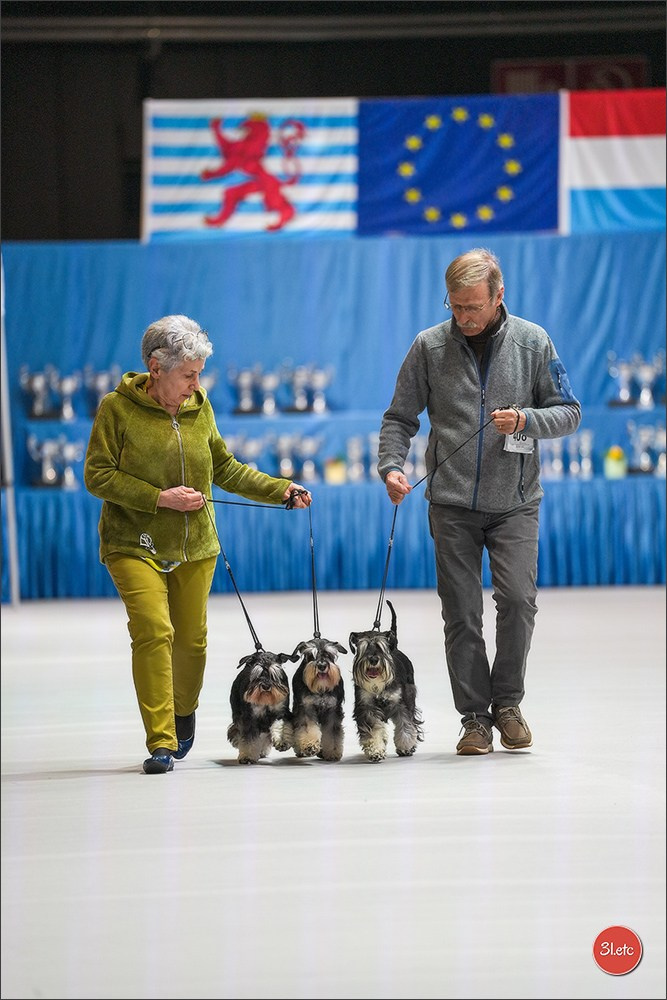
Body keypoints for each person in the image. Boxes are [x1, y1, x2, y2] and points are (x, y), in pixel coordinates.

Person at [84, 315, 312, 774]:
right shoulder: (116, 408)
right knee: (154, 631)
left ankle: (182, 710)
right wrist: (159, 498)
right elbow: (97, 475)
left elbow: (224, 467)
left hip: (197, 546)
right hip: (134, 542)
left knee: (191, 642)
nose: (196, 384)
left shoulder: (199, 407)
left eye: (199, 374)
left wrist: (279, 489)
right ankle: (161, 741)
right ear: (155, 368)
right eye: (189, 374)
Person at [378, 248, 581, 755]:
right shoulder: (428, 346)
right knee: (462, 614)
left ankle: (507, 704)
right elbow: (399, 417)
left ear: (498, 296)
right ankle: (474, 718)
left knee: (517, 601)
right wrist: (392, 466)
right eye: (456, 306)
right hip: (450, 505)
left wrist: (528, 420)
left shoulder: (534, 342)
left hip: (515, 502)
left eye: (473, 306)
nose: (464, 317)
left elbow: (569, 412)